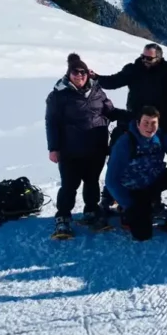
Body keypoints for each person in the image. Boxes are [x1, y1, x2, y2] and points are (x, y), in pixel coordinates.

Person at [45, 53, 125, 238]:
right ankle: (63, 217)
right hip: (70, 149)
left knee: (92, 181)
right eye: (75, 72)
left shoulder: (97, 91)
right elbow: (51, 122)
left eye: (83, 72)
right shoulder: (58, 95)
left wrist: (135, 117)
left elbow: (110, 112)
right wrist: (53, 148)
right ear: (68, 74)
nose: (79, 75)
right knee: (69, 184)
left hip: (95, 146)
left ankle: (91, 210)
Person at [104, 106, 167, 240]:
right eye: (146, 123)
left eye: (154, 123)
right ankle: (127, 213)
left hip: (153, 181)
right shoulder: (125, 143)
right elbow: (111, 181)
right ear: (138, 123)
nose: (150, 127)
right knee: (143, 235)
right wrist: (129, 206)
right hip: (134, 190)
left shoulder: (159, 136)